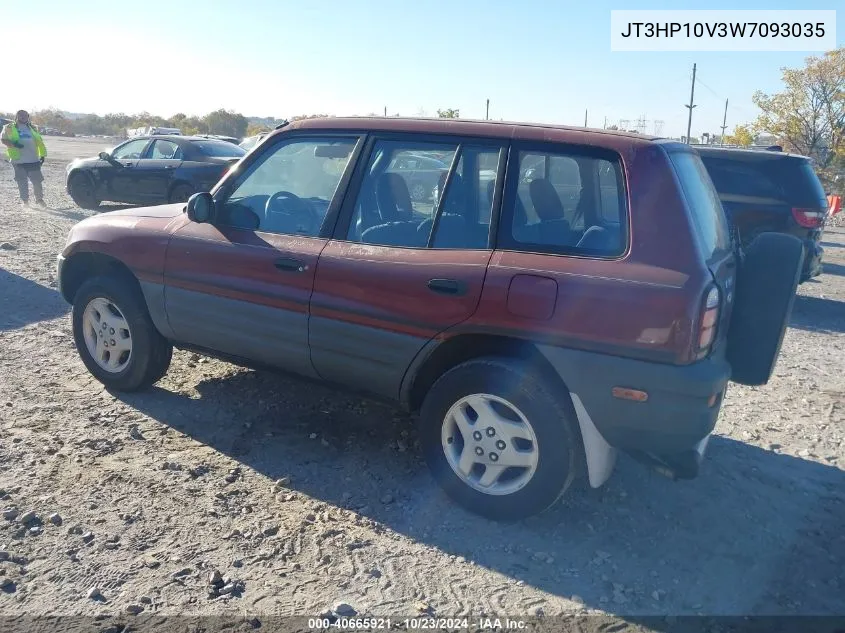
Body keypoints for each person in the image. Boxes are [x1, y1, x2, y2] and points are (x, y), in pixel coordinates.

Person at [1, 110, 47, 207]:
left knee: (37, 181)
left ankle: (39, 199)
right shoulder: (9, 127)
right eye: (20, 115)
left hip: (33, 159)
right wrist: (14, 144)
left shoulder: (33, 128)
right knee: (22, 181)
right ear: (17, 116)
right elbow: (3, 139)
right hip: (18, 160)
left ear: (28, 117)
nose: (23, 117)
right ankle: (25, 201)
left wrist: (42, 155)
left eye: (25, 115)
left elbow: (39, 142)